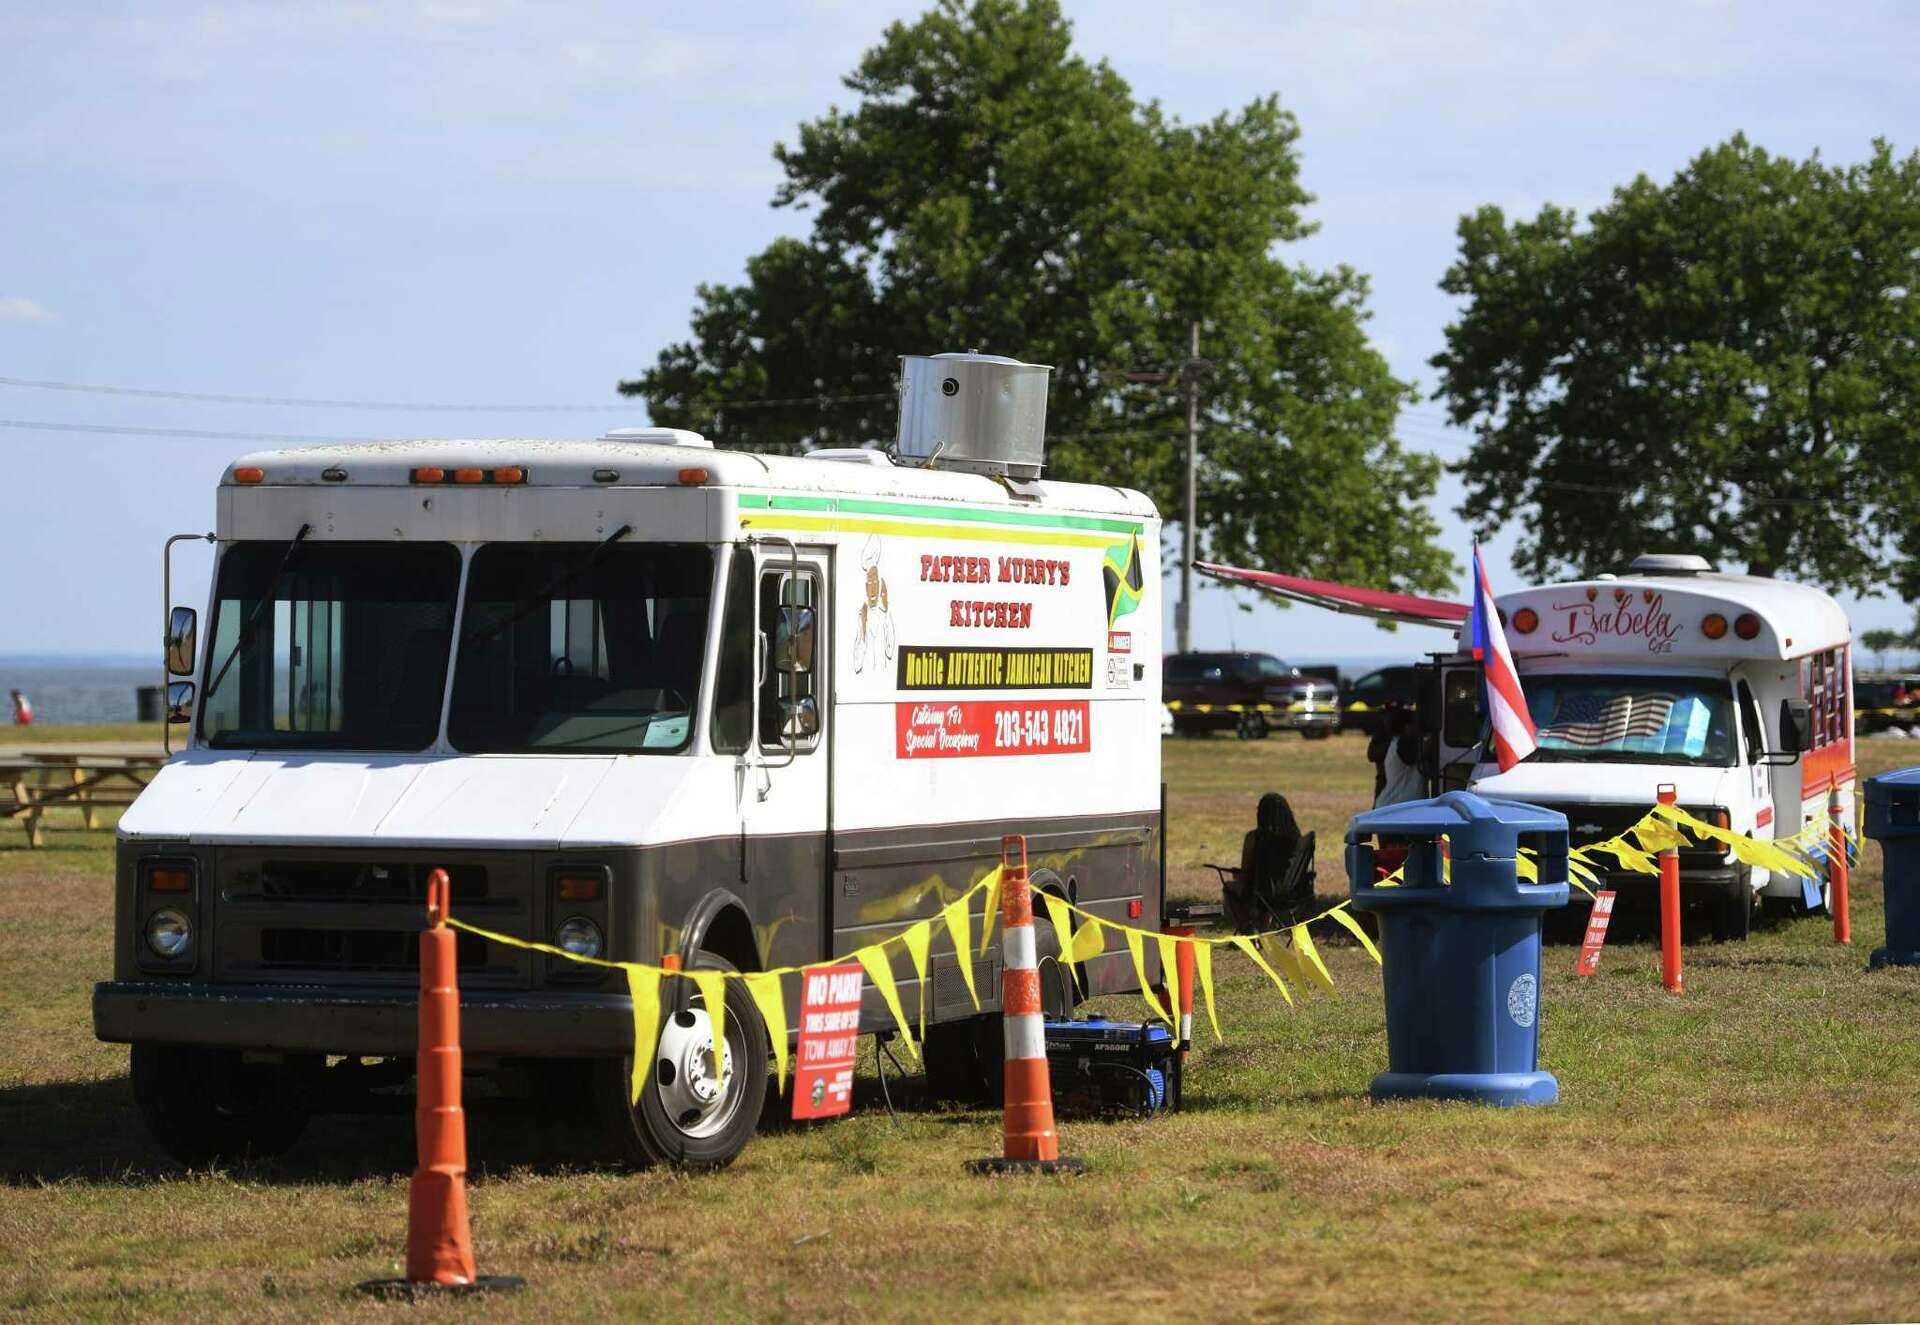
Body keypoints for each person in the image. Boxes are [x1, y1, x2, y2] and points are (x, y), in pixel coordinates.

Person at [1222, 791, 1306, 929]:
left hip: (1261, 895)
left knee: (1230, 888)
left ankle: (1247, 929)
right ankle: (1263, 928)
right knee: (1266, 888)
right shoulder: (1297, 840)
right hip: (1292, 894)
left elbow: (1245, 875)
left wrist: (1235, 874)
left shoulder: (1254, 838)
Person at [1368, 703, 1424, 807]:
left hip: (1390, 804)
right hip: (1397, 806)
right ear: (1407, 727)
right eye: (1415, 723)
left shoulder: (1394, 743)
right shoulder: (1404, 745)